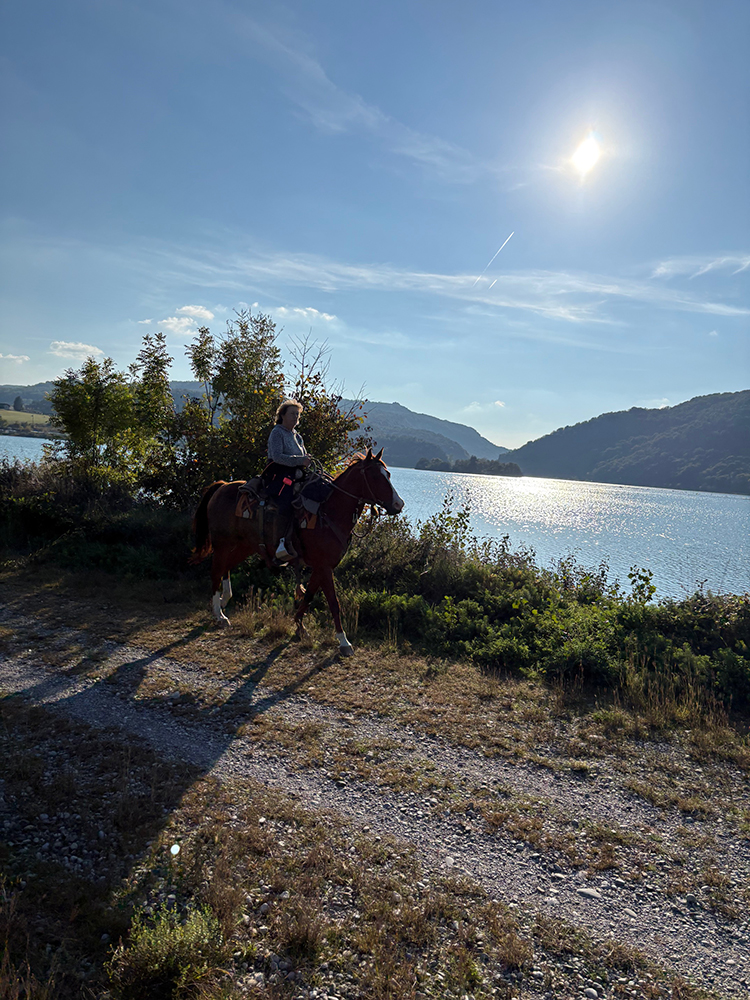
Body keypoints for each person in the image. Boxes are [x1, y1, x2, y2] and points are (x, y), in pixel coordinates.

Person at [264, 399, 311, 561]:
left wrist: (306, 461)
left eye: (297, 414)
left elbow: (301, 458)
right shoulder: (277, 432)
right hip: (279, 475)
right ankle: (280, 544)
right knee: (286, 503)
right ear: (282, 415)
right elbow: (277, 457)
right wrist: (300, 461)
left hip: (297, 474)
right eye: (292, 414)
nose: (295, 417)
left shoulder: (298, 436)